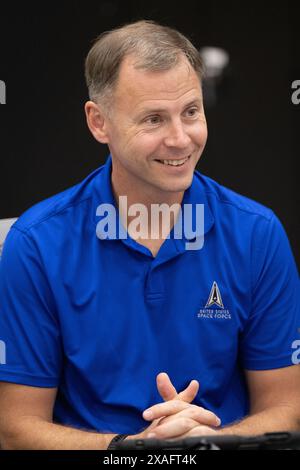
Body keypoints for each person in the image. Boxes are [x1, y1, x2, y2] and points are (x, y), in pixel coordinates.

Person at [0, 20, 299, 451]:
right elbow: (16, 428)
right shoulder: (36, 243)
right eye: (154, 119)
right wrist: (134, 451)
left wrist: (205, 446)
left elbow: (288, 409)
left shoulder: (258, 234)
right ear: (98, 122)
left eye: (191, 112)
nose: (180, 139)